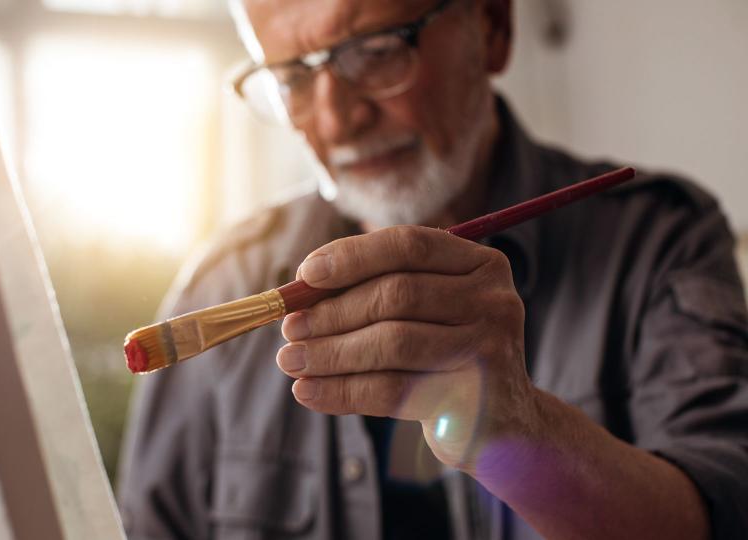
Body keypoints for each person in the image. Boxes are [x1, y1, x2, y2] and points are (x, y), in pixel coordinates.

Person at [118, 0, 748, 538]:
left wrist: (521, 435)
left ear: (493, 28)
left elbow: (725, 512)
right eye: (292, 78)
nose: (337, 119)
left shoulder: (657, 239)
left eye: (375, 51)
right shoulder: (223, 282)